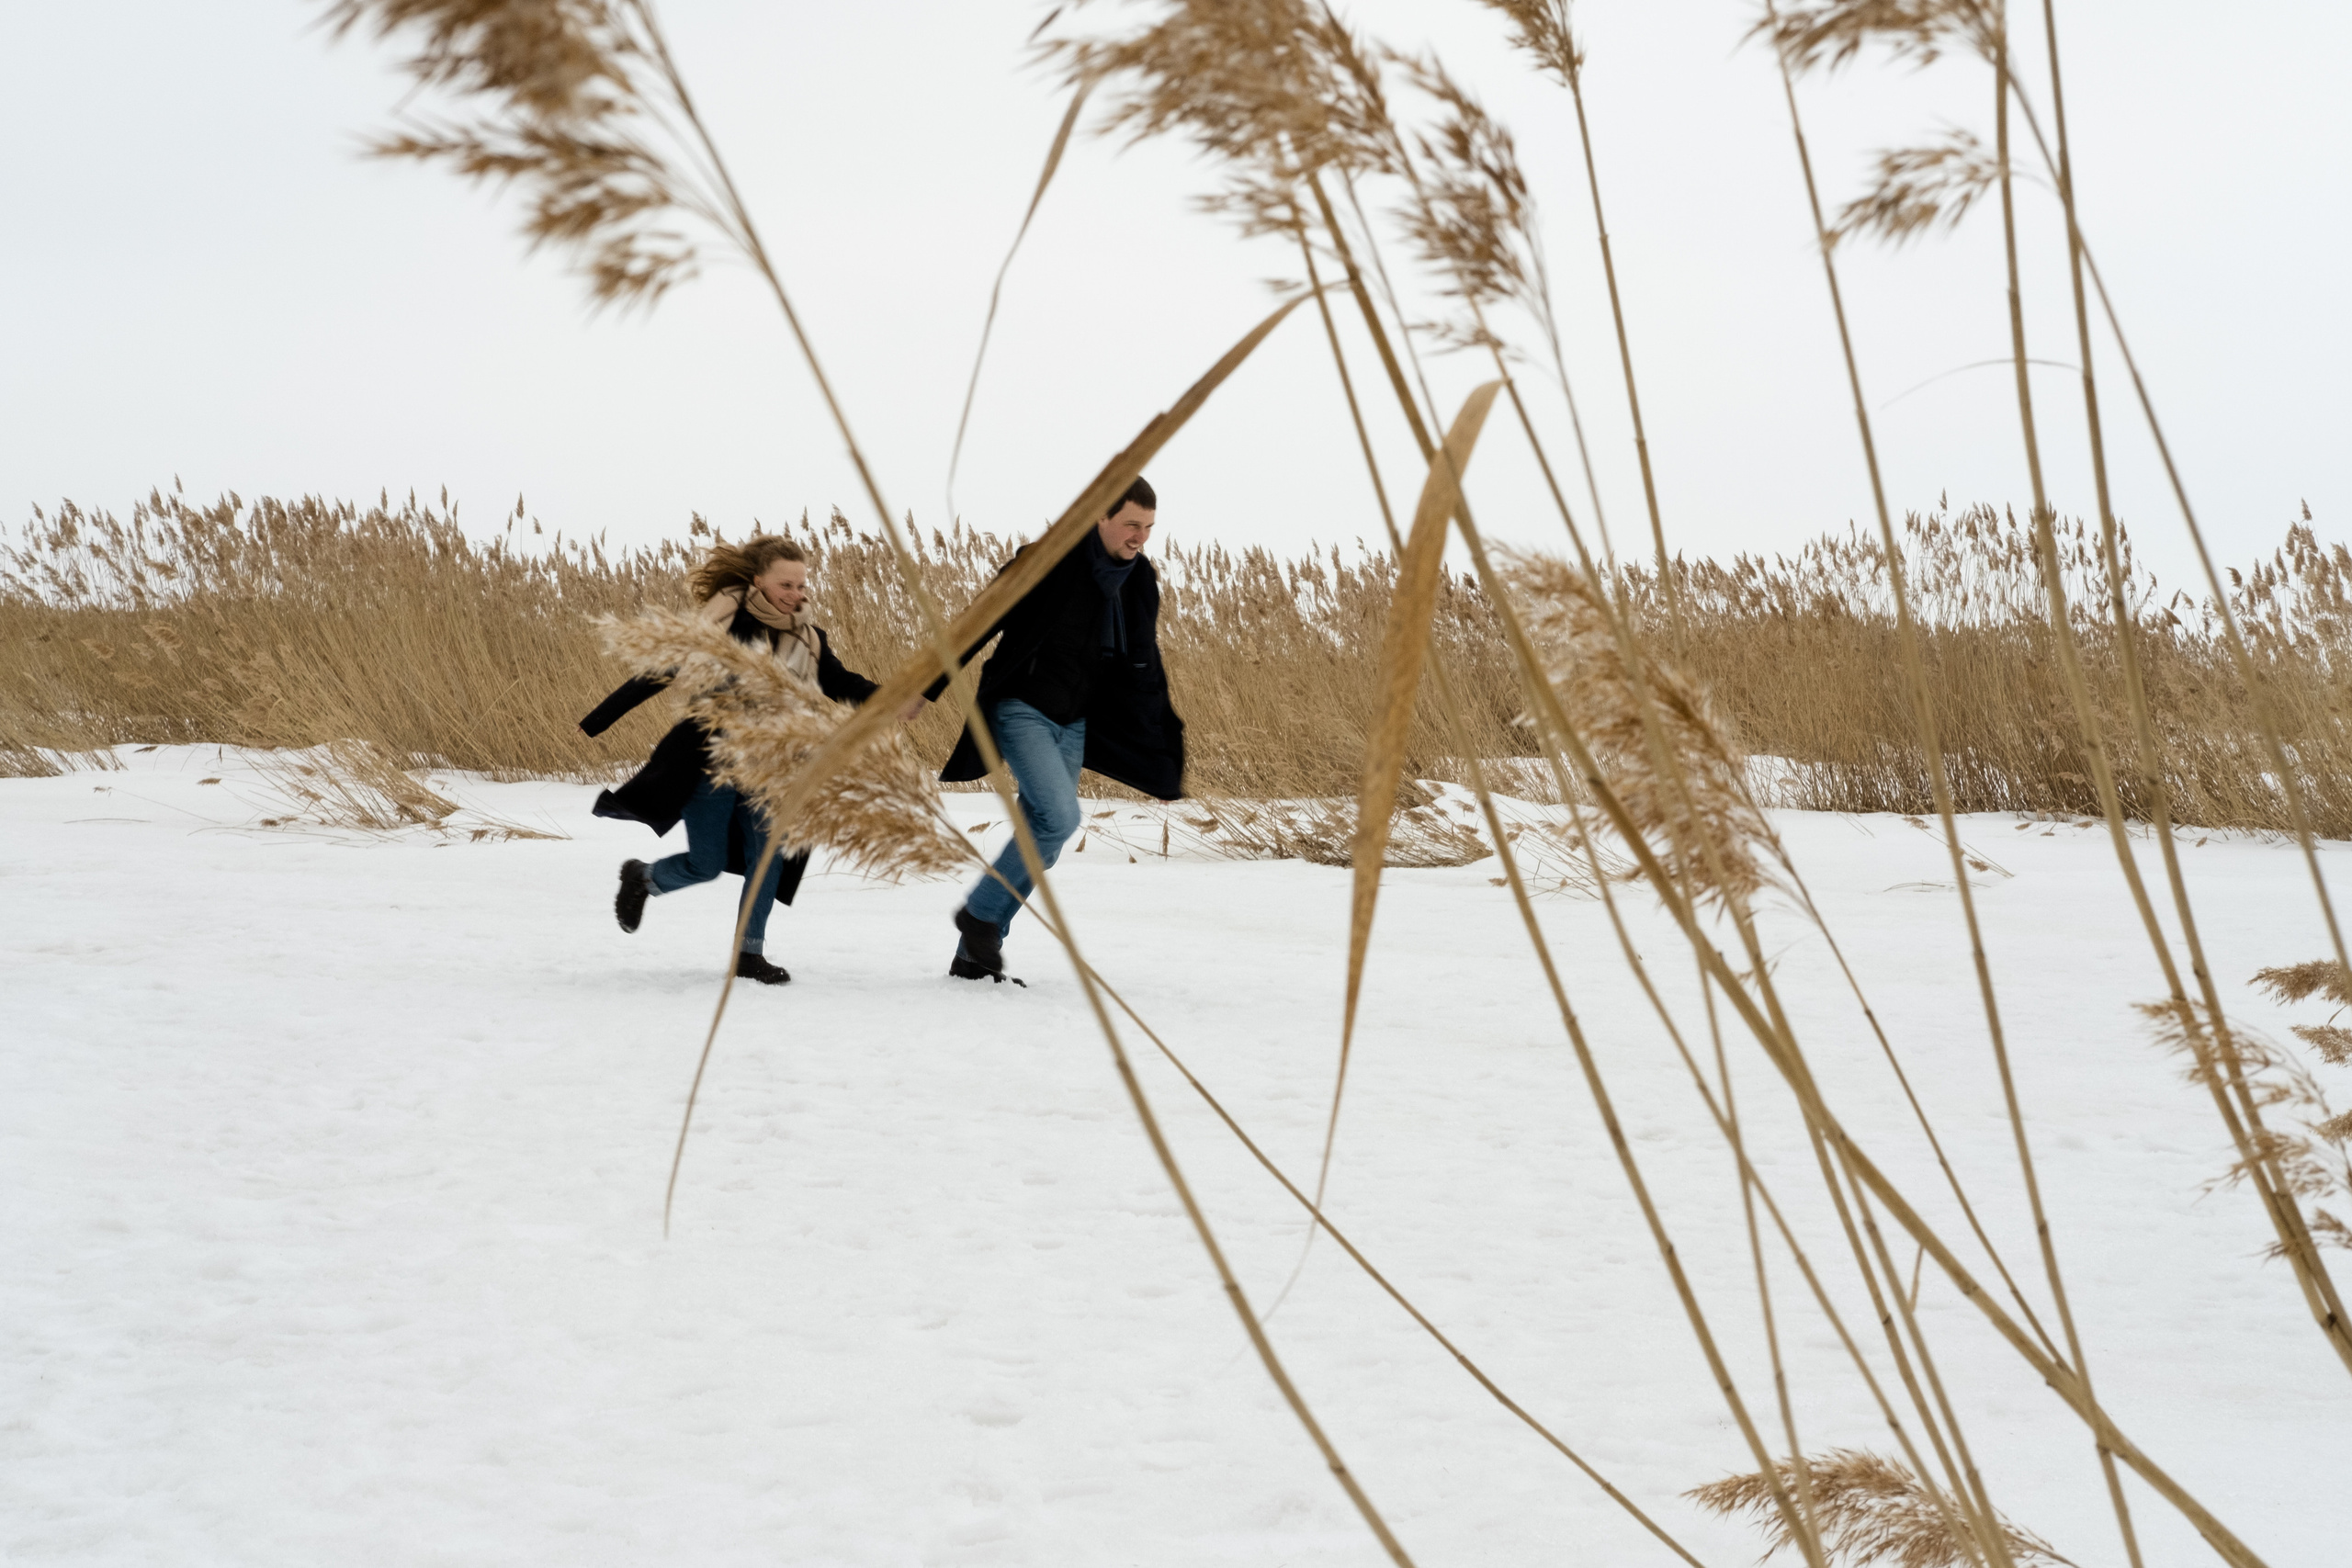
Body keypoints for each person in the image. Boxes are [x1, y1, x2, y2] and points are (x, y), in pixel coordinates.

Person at [579, 535, 885, 985]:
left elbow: (837, 680)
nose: (797, 595)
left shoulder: (809, 638)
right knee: (706, 863)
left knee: (769, 860)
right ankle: (643, 879)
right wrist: (599, 719)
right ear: (758, 581)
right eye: (787, 585)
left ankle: (748, 955)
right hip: (712, 764)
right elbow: (663, 671)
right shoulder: (723, 628)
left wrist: (890, 697)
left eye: (802, 586)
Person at [927, 476, 1185, 982]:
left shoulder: (1138, 579)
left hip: (1074, 721)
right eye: (1131, 524)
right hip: (1022, 707)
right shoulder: (1045, 560)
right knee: (1059, 819)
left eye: (1149, 528)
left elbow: (1144, 661)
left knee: (1043, 838)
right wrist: (925, 687)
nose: (1140, 537)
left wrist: (1162, 745)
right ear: (1100, 517)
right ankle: (978, 914)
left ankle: (974, 956)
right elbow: (977, 621)